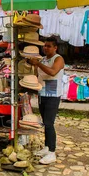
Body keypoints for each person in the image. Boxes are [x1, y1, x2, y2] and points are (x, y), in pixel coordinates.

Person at [27, 36, 65, 165]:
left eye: (49, 46)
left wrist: (38, 64)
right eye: (45, 46)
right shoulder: (43, 59)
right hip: (42, 93)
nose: (46, 48)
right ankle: (47, 147)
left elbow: (53, 72)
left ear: (55, 48)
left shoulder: (58, 59)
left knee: (49, 123)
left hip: (53, 95)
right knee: (45, 122)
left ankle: (52, 152)